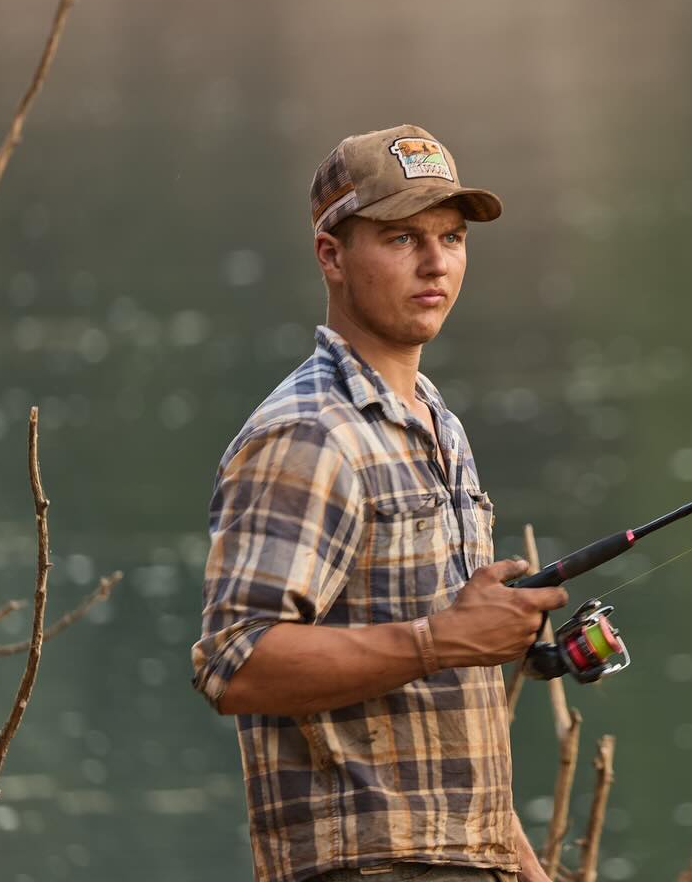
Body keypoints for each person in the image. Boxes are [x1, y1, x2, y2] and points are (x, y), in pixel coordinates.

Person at [191, 123, 569, 882]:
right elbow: (237, 664)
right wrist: (443, 639)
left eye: (452, 237)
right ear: (331, 255)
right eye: (401, 239)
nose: (436, 263)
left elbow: (445, 703)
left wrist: (521, 864)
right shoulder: (307, 432)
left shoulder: (439, 424)